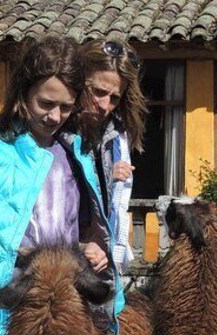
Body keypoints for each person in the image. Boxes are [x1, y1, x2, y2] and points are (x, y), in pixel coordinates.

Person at [0, 36, 124, 335]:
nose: (54, 116)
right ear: (23, 93)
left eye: (66, 107)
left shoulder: (76, 156)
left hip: (67, 307)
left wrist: (92, 247)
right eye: (46, 104)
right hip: (9, 308)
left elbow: (76, 226)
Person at [76, 39, 148, 274]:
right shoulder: (54, 132)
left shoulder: (116, 136)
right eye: (97, 92)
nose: (105, 105)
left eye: (114, 98)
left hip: (99, 262)